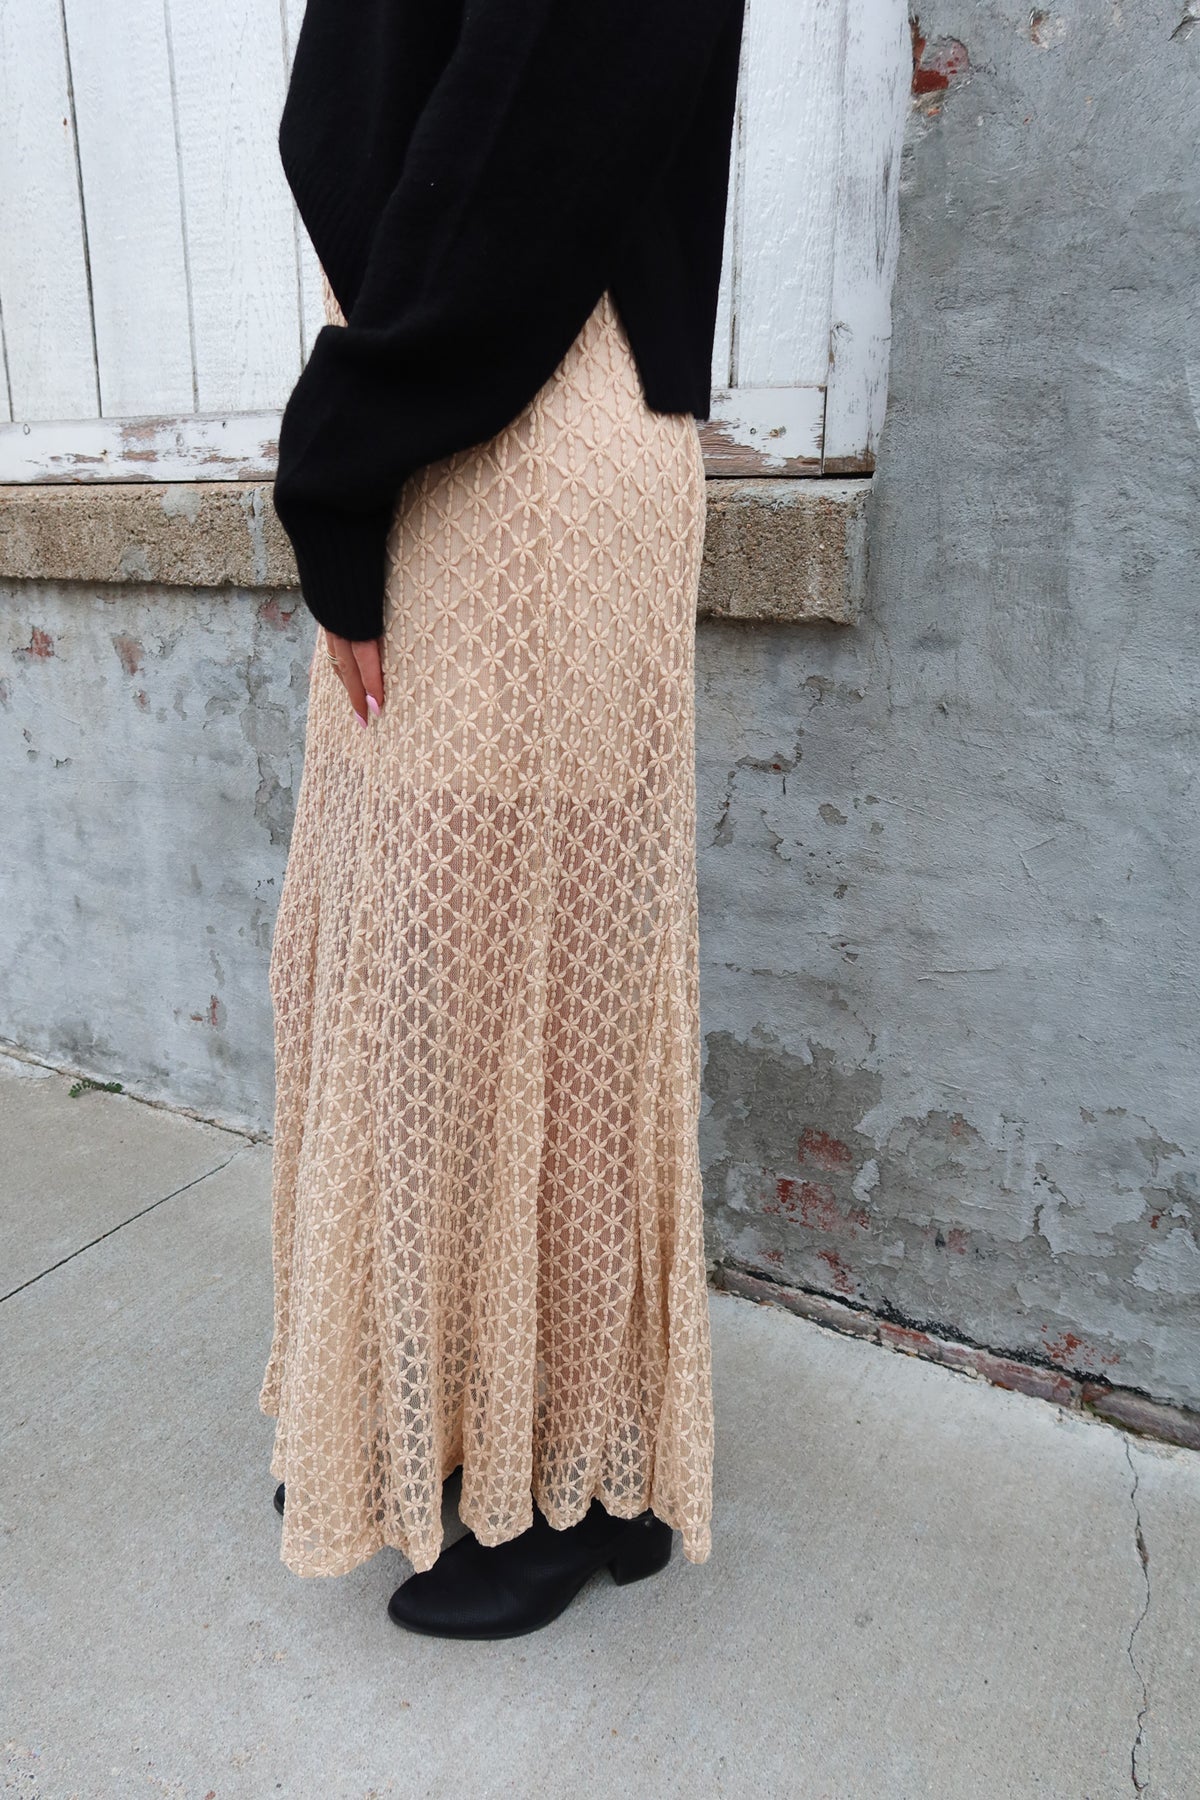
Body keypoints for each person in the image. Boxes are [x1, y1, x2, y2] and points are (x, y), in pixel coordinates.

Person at [260, 0, 747, 1640]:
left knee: (526, 990)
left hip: (513, 415)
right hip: (458, 399)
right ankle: (445, 1424)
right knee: (440, 971)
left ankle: (577, 1479)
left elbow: (538, 121)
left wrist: (345, 444)